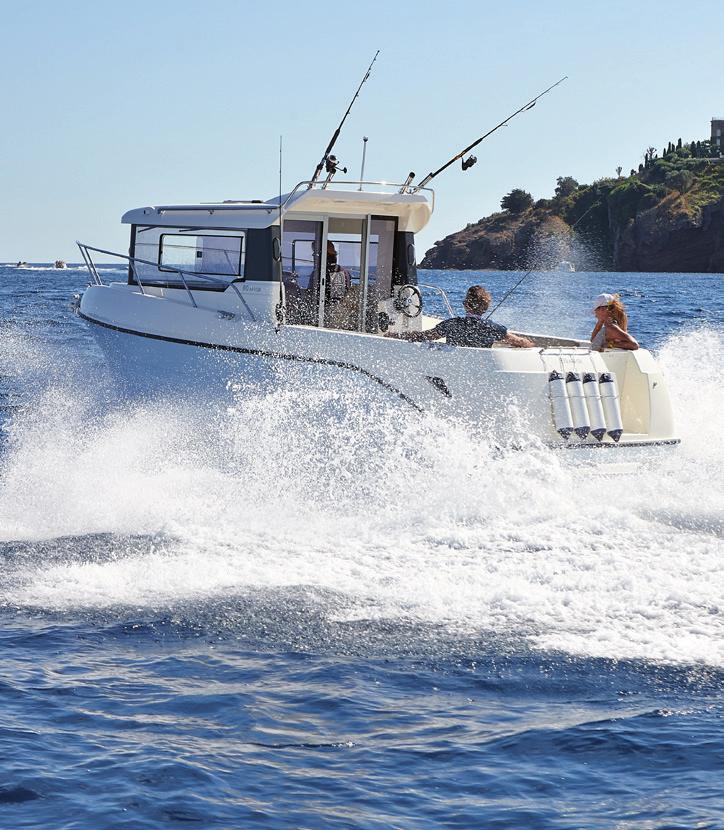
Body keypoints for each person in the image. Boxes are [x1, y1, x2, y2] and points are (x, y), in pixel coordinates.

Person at [390, 285, 534, 348]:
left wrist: (396, 335)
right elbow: (522, 343)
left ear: (466, 305)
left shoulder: (451, 325)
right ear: (485, 308)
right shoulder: (493, 328)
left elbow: (422, 336)